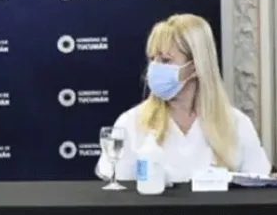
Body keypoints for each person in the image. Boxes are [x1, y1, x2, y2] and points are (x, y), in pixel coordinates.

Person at [96, 13, 271, 182]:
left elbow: (259, 190)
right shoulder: (130, 123)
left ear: (196, 66)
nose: (154, 68)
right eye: (152, 59)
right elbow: (118, 192)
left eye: (166, 60)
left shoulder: (237, 124)